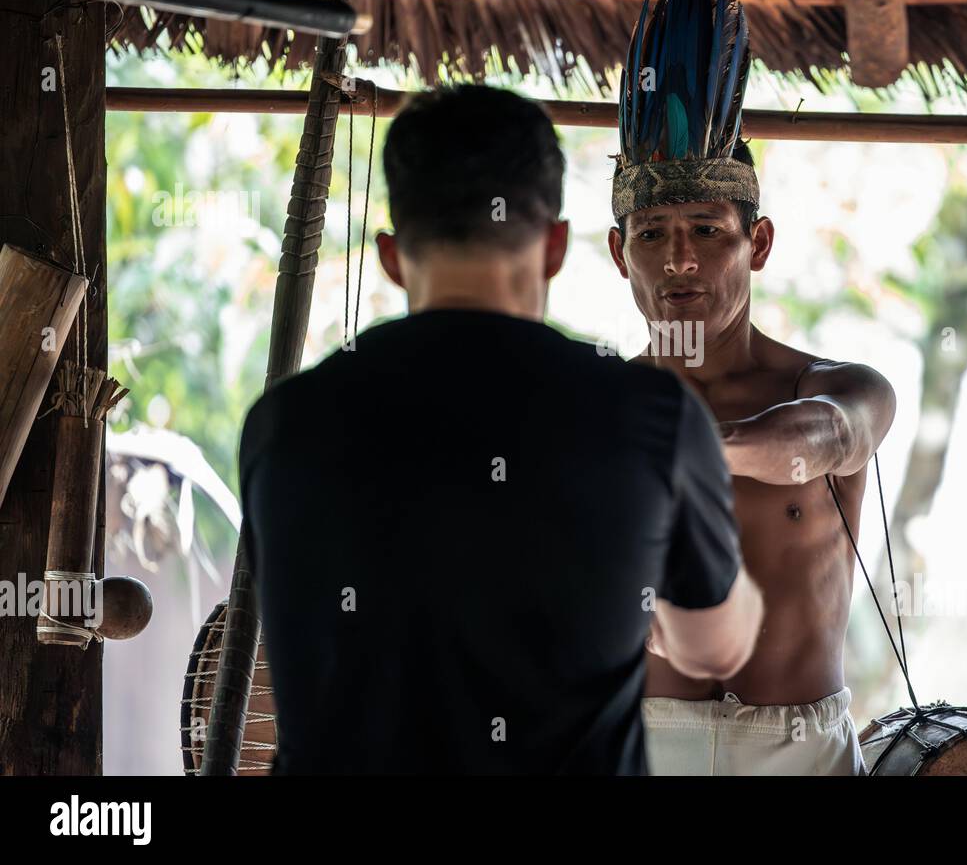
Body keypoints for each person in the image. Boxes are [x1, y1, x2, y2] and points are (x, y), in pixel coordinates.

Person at [238, 84, 763, 774]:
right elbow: (715, 650)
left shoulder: (285, 420)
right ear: (555, 246)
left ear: (393, 256)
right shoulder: (650, 417)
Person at [607, 0, 897, 775]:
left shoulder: (843, 387)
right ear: (619, 253)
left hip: (798, 751)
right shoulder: (598, 409)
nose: (680, 259)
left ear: (759, 243)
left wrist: (695, 450)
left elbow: (822, 440)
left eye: (706, 229)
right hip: (644, 744)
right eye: (652, 233)